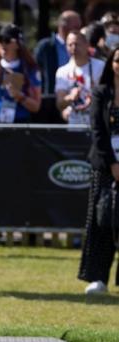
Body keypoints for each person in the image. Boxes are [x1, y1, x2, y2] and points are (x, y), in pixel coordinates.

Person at [77, 46, 119, 294]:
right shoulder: (101, 93)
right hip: (104, 167)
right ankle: (98, 278)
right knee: (101, 222)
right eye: (117, 60)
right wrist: (113, 164)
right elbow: (98, 133)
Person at [0, 24, 41, 123]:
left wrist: (20, 96)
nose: (2, 44)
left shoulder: (29, 67)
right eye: (0, 40)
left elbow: (36, 106)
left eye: (7, 40)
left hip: (19, 126)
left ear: (18, 44)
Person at [55, 31, 105, 125]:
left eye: (77, 44)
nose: (73, 48)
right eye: (70, 45)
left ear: (87, 45)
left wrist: (94, 96)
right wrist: (70, 98)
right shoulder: (62, 71)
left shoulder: (100, 66)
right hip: (75, 124)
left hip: (97, 122)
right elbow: (59, 103)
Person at [34, 10, 82, 98]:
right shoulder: (46, 47)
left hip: (76, 97)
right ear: (63, 27)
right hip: (51, 97)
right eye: (76, 27)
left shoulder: (82, 45)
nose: (79, 31)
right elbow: (35, 72)